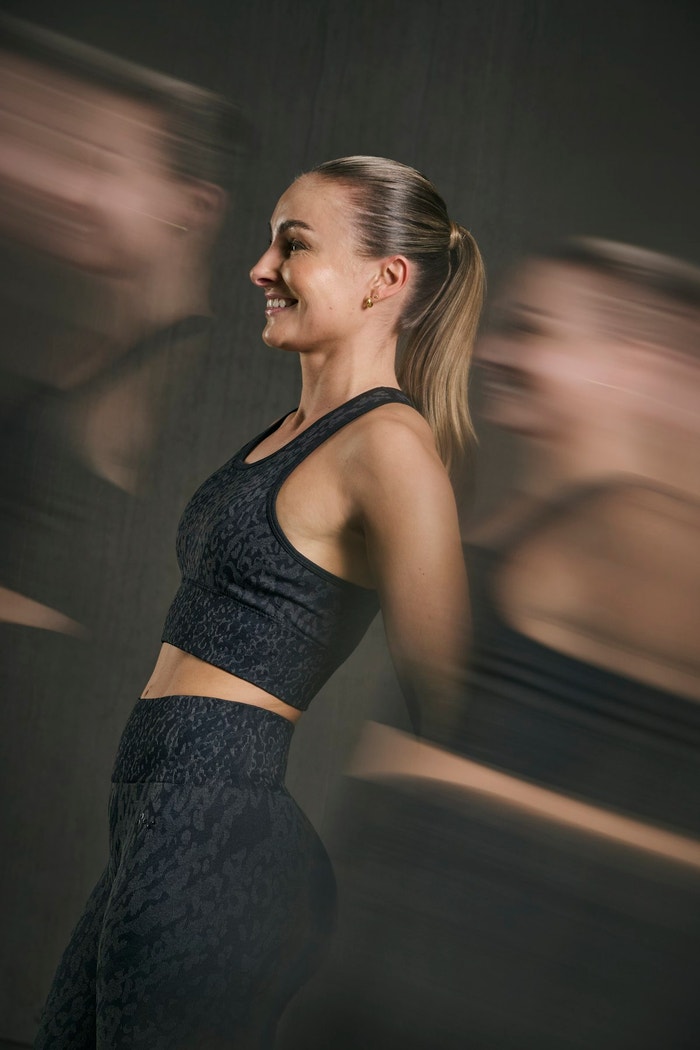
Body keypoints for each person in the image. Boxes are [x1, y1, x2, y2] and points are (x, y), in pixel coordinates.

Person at [34, 155, 484, 1049]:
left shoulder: (390, 446)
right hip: (155, 824)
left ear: (384, 280)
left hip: (218, 833)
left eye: (294, 245)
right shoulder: (288, 433)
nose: (259, 268)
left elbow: (454, 698)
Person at [305, 239, 700, 1050]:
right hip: (400, 987)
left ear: (641, 362)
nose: (496, 352)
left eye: (536, 331)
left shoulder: (635, 533)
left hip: (502, 1000)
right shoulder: (559, 512)